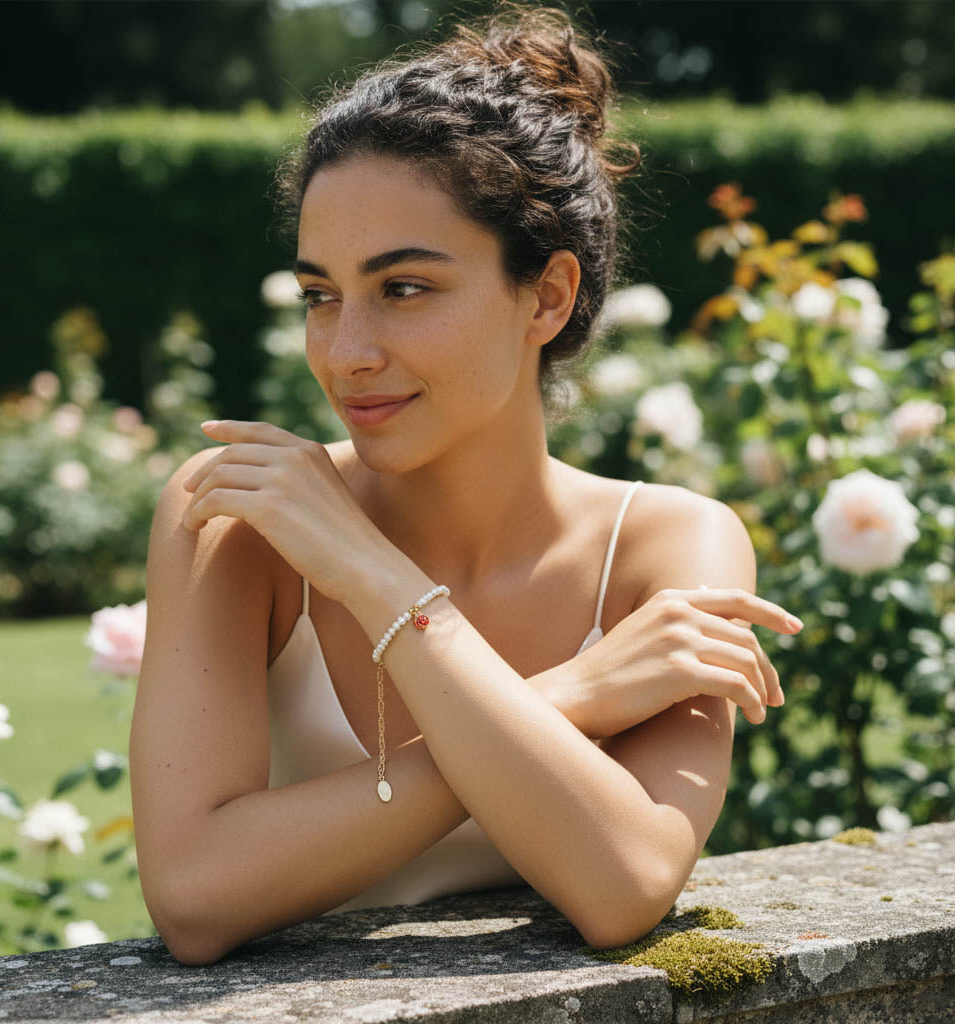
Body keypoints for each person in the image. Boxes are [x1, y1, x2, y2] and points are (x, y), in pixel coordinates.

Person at [129, 3, 803, 966]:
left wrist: (381, 583)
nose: (346, 352)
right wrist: (572, 698)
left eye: (403, 288)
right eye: (321, 296)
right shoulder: (242, 520)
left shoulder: (667, 547)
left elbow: (624, 886)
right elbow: (194, 895)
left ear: (548, 295)